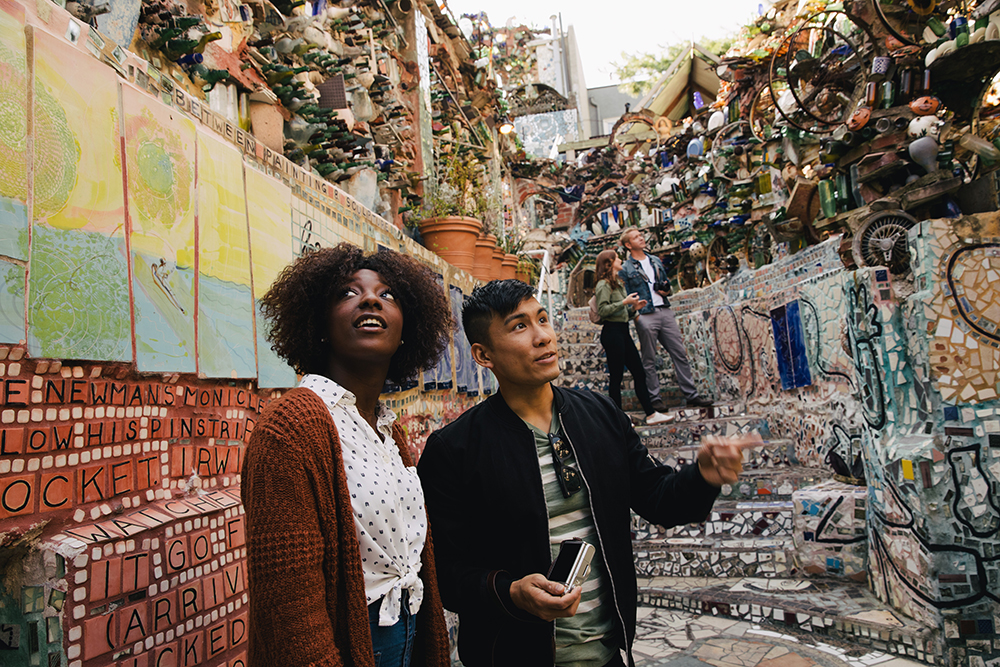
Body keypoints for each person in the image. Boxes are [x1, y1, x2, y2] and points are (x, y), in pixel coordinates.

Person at [417, 279, 755, 667]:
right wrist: (511, 592)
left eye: (542, 319)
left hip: (609, 654)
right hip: (512, 655)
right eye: (519, 326)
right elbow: (445, 574)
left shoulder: (600, 415)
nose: (543, 336)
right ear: (483, 354)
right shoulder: (454, 450)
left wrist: (704, 476)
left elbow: (660, 500)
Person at [242, 243, 453, 667]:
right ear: (318, 324)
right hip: (351, 646)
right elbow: (289, 611)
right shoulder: (290, 428)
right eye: (348, 292)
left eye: (387, 294)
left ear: (407, 329)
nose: (371, 299)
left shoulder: (387, 430)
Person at [619, 228, 713, 410]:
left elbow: (666, 283)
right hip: (645, 314)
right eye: (636, 237)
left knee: (680, 353)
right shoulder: (626, 268)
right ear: (628, 245)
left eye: (641, 235)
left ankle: (692, 395)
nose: (641, 238)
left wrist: (666, 290)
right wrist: (636, 315)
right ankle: (654, 399)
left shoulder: (654, 260)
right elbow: (626, 295)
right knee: (649, 359)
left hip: (664, 310)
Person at [593, 249, 672, 425]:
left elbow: (622, 313)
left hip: (623, 331)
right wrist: (624, 302)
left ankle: (651, 414)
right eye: (617, 258)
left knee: (639, 372)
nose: (620, 260)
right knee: (616, 378)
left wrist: (633, 308)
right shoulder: (603, 285)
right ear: (609, 263)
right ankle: (618, 419)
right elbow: (603, 311)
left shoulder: (618, 283)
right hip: (612, 333)